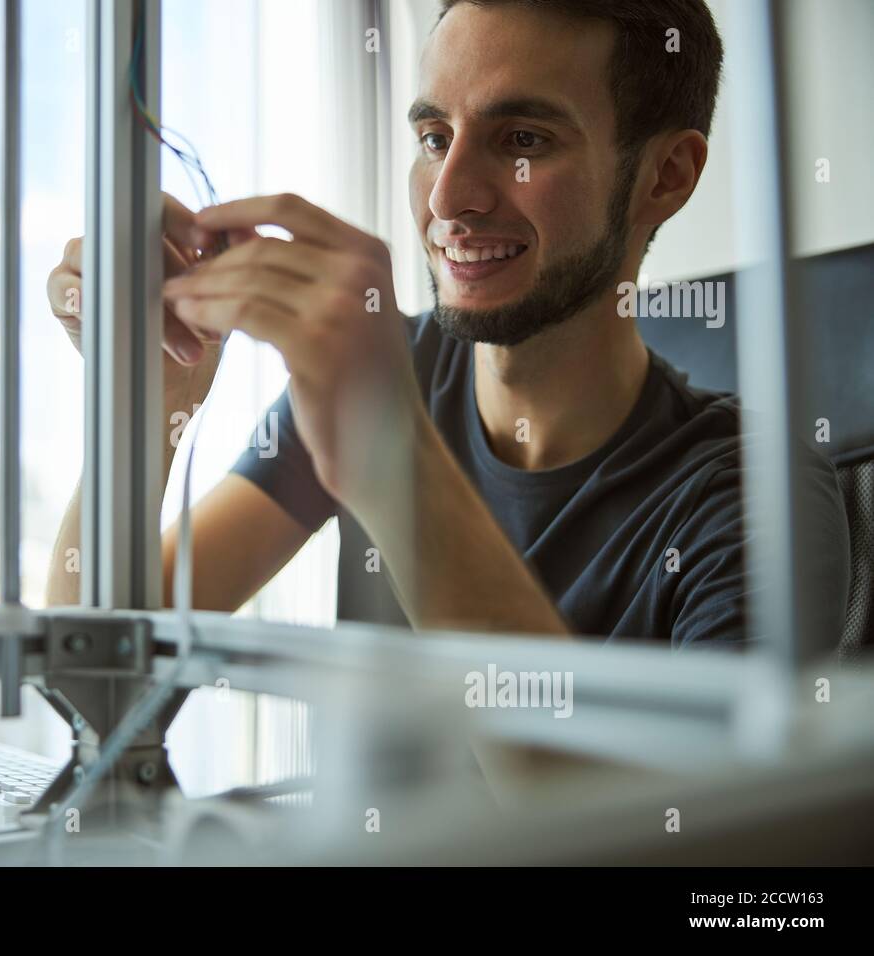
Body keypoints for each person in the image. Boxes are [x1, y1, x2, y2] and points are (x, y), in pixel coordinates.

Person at [45, 0, 849, 648]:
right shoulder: (385, 375)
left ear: (665, 177)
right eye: (434, 137)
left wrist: (389, 458)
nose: (446, 197)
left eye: (523, 140)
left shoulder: (753, 497)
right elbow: (92, 661)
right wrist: (149, 403)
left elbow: (688, 840)